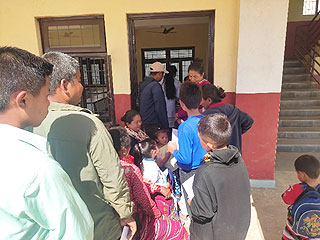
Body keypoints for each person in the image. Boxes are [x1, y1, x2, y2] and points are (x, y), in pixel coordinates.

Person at [32, 52, 135, 240]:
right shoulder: (87, 123)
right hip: (94, 223)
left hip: (50, 225)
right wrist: (125, 213)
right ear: (64, 85)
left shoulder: (29, 123)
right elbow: (111, 176)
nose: (82, 87)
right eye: (79, 81)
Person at [0, 46, 94, 239]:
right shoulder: (38, 169)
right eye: (45, 96)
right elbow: (77, 233)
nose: (49, 103)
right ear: (23, 100)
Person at [108, 126, 189, 240]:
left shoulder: (97, 168)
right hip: (132, 219)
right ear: (124, 150)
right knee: (177, 230)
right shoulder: (130, 169)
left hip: (108, 218)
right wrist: (158, 215)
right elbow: (143, 198)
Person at [190, 113, 251, 240]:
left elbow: (203, 212)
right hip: (237, 229)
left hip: (214, 233)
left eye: (200, 137)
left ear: (210, 145)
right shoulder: (239, 159)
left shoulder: (205, 172)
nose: (198, 136)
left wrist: (192, 203)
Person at [168, 81, 207, 215]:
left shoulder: (185, 127)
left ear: (182, 104)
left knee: (192, 206)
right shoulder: (205, 120)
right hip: (205, 167)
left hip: (190, 172)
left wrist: (173, 150)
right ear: (200, 100)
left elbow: (185, 159)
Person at [201, 84, 254, 153]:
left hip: (217, 157)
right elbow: (249, 121)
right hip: (235, 153)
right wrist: (236, 133)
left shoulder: (207, 116)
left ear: (209, 100)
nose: (200, 103)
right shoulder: (232, 109)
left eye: (201, 100)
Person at [282, 155, 320, 240]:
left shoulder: (297, 188)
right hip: (317, 232)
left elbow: (286, 199)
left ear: (302, 174)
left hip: (295, 232)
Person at [139, 61, 169, 138]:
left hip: (144, 122)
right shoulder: (155, 86)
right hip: (154, 123)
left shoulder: (143, 84)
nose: (162, 77)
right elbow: (160, 107)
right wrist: (165, 125)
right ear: (159, 73)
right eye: (162, 74)